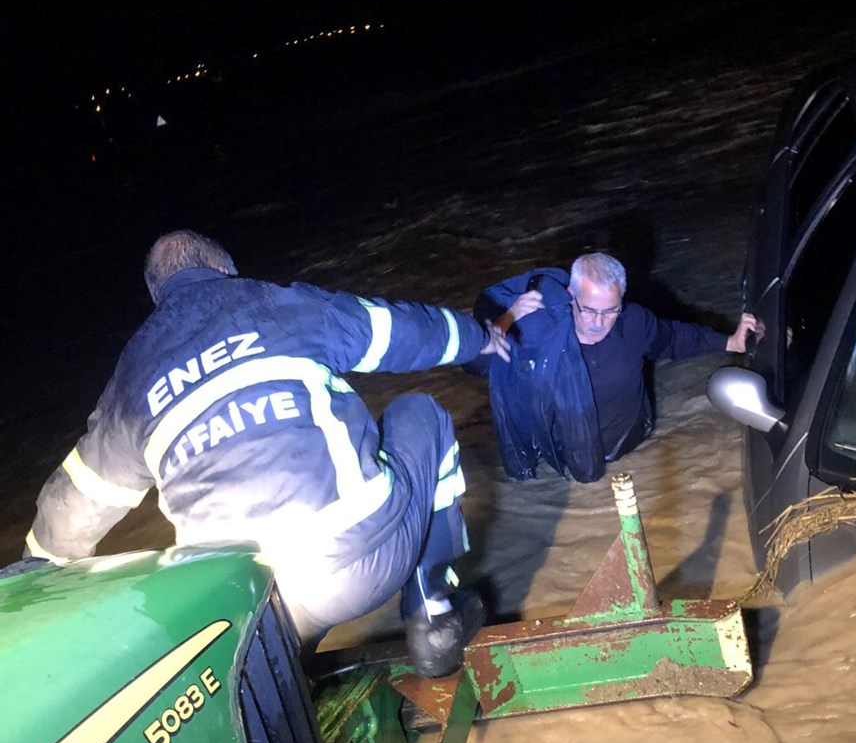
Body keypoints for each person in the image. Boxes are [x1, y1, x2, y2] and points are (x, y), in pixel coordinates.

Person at [24, 230, 511, 675]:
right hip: (359, 565)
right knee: (419, 413)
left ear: (157, 297)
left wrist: (30, 579)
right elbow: (402, 332)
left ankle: (285, 668)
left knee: (251, 586)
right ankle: (432, 613)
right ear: (226, 269)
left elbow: (75, 501)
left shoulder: (131, 379)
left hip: (245, 611)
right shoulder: (277, 304)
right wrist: (479, 340)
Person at [473, 252, 762, 482]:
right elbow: (474, 363)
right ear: (570, 298)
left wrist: (731, 342)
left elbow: (674, 339)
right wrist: (508, 319)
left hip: (630, 446)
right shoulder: (535, 334)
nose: (599, 322)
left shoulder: (633, 322)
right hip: (564, 458)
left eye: (610, 310)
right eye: (589, 309)